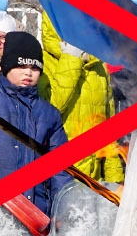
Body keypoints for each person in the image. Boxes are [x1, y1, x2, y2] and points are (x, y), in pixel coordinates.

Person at [0, 31, 73, 215]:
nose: (28, 72)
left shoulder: (49, 113)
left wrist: (62, 211)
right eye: (20, 66)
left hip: (36, 211)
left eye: (35, 68)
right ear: (6, 66)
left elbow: (60, 166)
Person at [39, 12, 123, 183]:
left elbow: (108, 128)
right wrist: (71, 58)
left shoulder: (97, 64)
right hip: (58, 179)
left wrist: (115, 181)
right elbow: (49, 111)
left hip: (95, 181)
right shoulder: (41, 62)